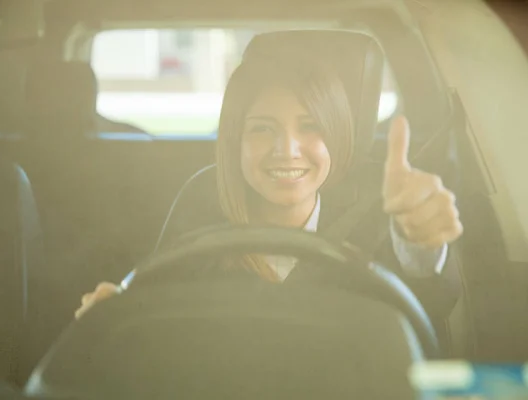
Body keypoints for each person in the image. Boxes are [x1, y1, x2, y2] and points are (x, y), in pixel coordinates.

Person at [75, 46, 463, 322]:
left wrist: (421, 243)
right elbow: (155, 310)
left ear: (337, 136)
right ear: (235, 142)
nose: (287, 150)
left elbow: (428, 303)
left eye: (309, 126)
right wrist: (112, 317)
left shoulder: (383, 209)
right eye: (262, 129)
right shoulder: (199, 206)